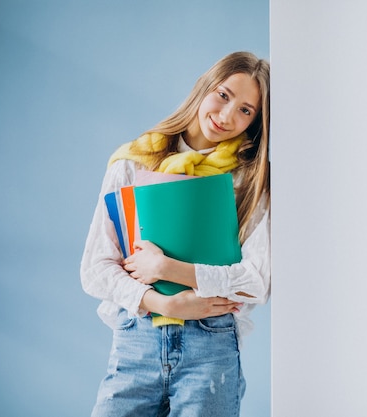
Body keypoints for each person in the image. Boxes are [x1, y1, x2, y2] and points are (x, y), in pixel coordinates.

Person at [80, 51, 270, 417]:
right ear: (204, 87)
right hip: (138, 337)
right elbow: (95, 268)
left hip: (210, 347)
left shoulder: (250, 178)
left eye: (246, 110)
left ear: (255, 121)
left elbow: (257, 281)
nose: (227, 115)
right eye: (224, 95)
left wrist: (167, 269)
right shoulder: (134, 162)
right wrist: (164, 303)